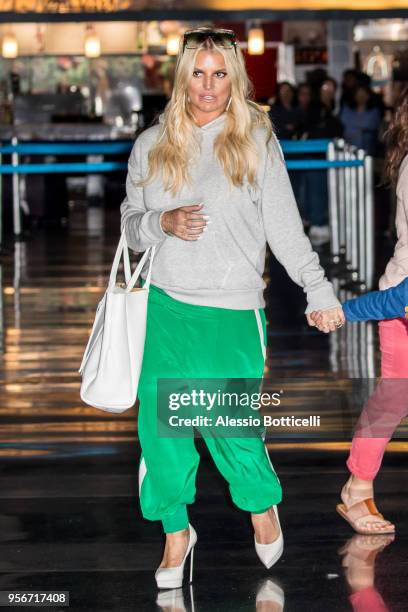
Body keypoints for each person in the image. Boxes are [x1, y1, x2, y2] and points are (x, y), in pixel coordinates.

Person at [120, 26, 344, 589]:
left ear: (235, 78)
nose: (208, 85)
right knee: (162, 429)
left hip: (233, 308)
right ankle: (176, 531)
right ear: (182, 76)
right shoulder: (151, 143)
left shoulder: (255, 139)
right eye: (198, 72)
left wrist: (317, 290)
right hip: (167, 307)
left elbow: (285, 228)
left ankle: (260, 505)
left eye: (220, 73)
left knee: (232, 426)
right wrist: (161, 222)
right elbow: (129, 227)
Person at [311, 85, 408, 534]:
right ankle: (357, 489)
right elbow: (400, 297)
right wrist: (344, 312)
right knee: (393, 397)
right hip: (400, 304)